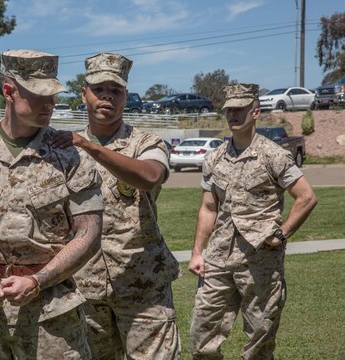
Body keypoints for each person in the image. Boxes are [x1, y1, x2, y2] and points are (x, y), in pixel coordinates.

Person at [0, 50, 104, 359]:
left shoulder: (71, 158)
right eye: (39, 96)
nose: (51, 104)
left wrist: (36, 280)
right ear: (9, 91)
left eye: (53, 95)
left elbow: (89, 234)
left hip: (52, 315)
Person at [51, 52, 181, 360]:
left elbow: (150, 176)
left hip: (144, 287)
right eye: (99, 89)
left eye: (116, 90)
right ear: (84, 94)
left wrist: (90, 147)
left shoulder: (146, 142)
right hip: (86, 287)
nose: (107, 96)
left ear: (126, 96)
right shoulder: (62, 147)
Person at [188, 83, 318, 359]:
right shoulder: (214, 158)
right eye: (229, 110)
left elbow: (306, 197)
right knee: (201, 337)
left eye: (239, 110)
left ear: (255, 111)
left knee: (259, 341)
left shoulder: (274, 155)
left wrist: (282, 234)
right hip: (218, 259)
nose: (233, 115)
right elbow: (208, 207)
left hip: (260, 261)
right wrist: (198, 252)